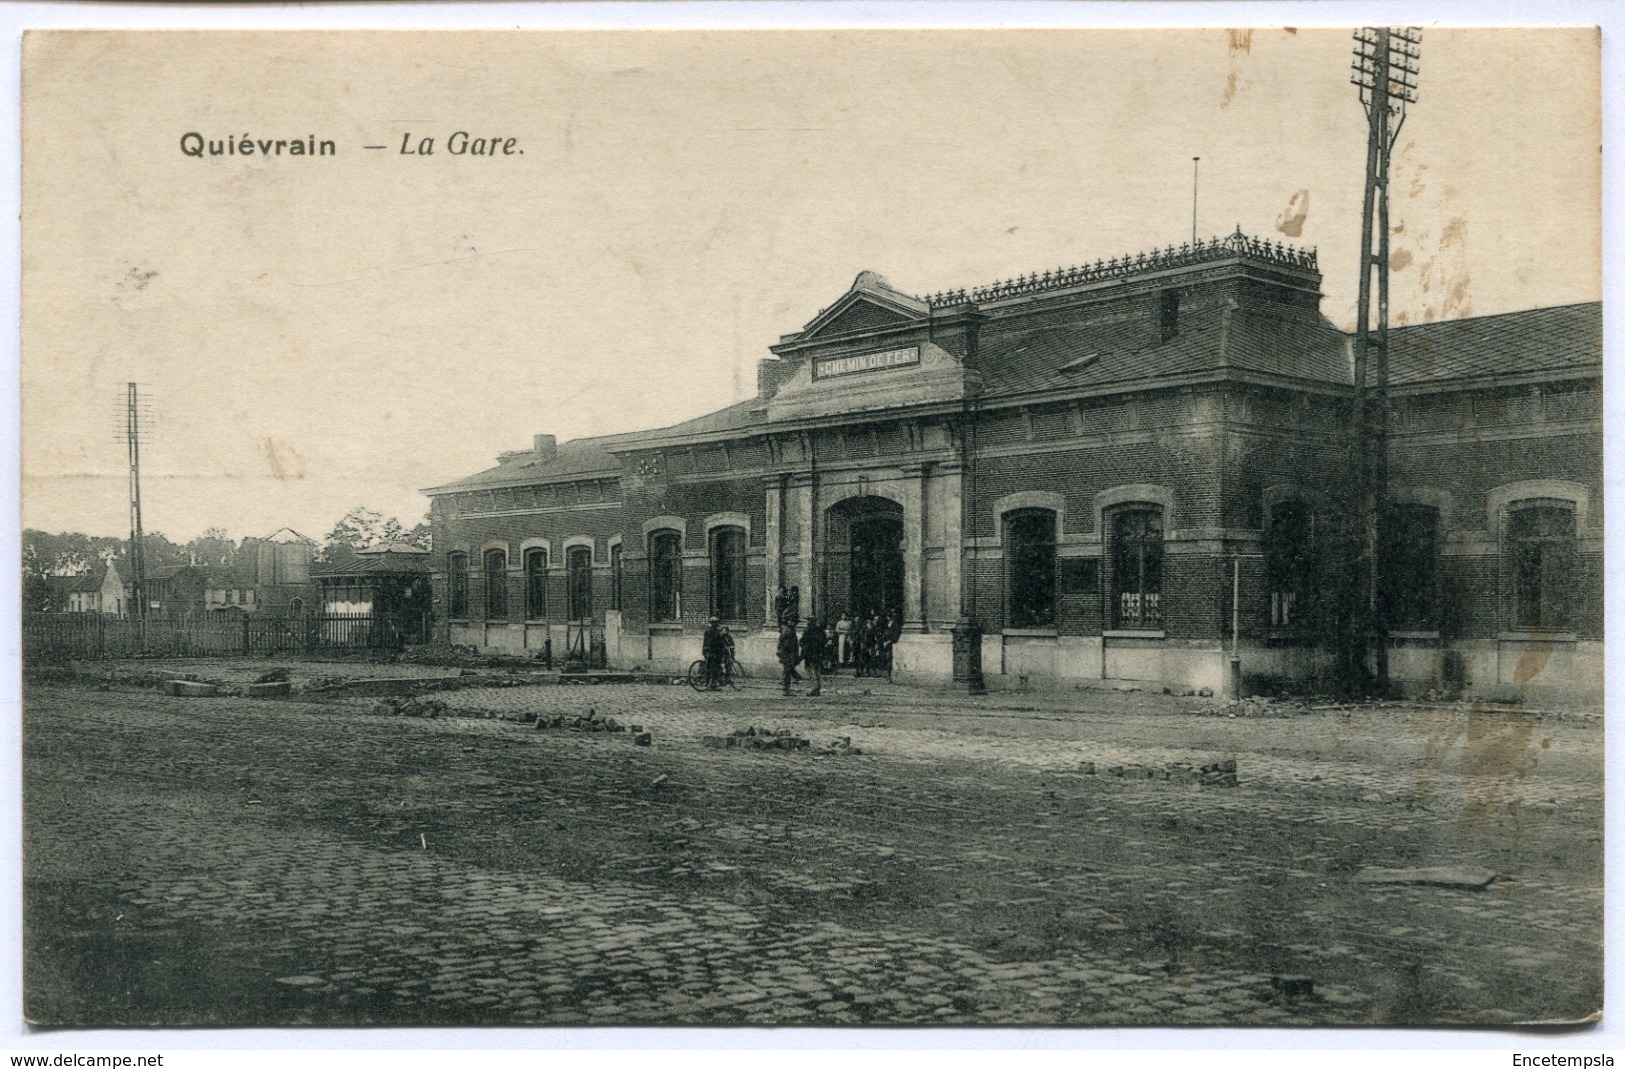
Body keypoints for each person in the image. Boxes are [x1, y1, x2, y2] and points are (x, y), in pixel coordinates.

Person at [801, 616, 826, 696]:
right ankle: (817, 688)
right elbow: (823, 641)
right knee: (816, 671)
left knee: (811, 671)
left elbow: (803, 641)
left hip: (810, 654)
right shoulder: (820, 631)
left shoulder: (807, 630)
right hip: (818, 654)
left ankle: (814, 689)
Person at [701, 616, 725, 690]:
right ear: (713, 623)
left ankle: (708, 683)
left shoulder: (708, 631)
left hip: (708, 651)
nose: (717, 624)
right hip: (713, 652)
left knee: (710, 667)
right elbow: (717, 642)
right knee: (715, 668)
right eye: (716, 622)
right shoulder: (714, 631)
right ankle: (712, 685)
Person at [776, 623, 800, 696]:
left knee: (788, 671)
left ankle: (787, 688)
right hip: (788, 655)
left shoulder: (787, 630)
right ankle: (786, 690)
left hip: (787, 655)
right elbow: (787, 645)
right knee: (788, 672)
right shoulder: (788, 631)